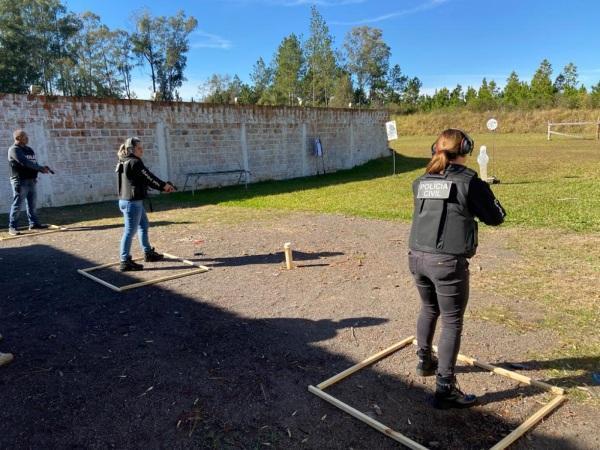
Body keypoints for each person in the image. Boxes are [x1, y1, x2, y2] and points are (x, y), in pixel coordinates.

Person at [407, 128, 506, 409]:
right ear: (465, 149)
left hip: (417, 257)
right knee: (452, 321)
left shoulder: (421, 180)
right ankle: (445, 389)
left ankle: (425, 362)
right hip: (447, 262)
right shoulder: (469, 182)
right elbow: (496, 217)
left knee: (429, 309)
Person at [116, 137, 176, 272]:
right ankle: (125, 261)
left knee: (143, 225)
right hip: (132, 202)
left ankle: (148, 252)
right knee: (129, 232)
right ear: (132, 149)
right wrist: (164, 186)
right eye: (139, 148)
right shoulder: (135, 162)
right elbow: (149, 177)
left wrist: (163, 187)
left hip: (128, 201)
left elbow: (144, 178)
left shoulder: (124, 161)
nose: (142, 150)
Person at [7, 129, 54, 236]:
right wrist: (40, 168)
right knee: (17, 204)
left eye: (27, 136)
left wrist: (40, 169)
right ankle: (12, 227)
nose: (27, 138)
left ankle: (34, 224)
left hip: (31, 180)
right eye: (24, 137)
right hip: (20, 180)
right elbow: (25, 162)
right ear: (18, 138)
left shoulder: (29, 149)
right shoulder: (14, 149)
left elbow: (33, 163)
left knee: (32, 204)